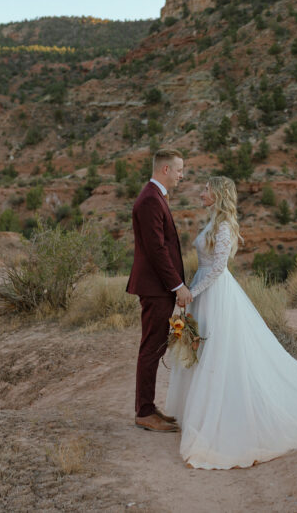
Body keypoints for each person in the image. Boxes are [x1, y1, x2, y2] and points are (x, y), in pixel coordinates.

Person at [164, 176, 297, 469]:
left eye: (206, 190)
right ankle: (201, 411)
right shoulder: (214, 222)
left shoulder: (224, 226)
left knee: (219, 350)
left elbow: (218, 269)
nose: (201, 194)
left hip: (213, 293)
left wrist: (192, 293)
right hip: (202, 292)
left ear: (218, 195)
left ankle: (223, 414)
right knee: (203, 350)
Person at [127, 149, 192, 433]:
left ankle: (149, 408)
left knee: (155, 345)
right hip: (156, 288)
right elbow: (156, 249)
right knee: (151, 347)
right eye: (179, 170)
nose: (182, 175)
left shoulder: (155, 197)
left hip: (158, 287)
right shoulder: (151, 199)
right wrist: (177, 285)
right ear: (165, 169)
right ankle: (144, 411)